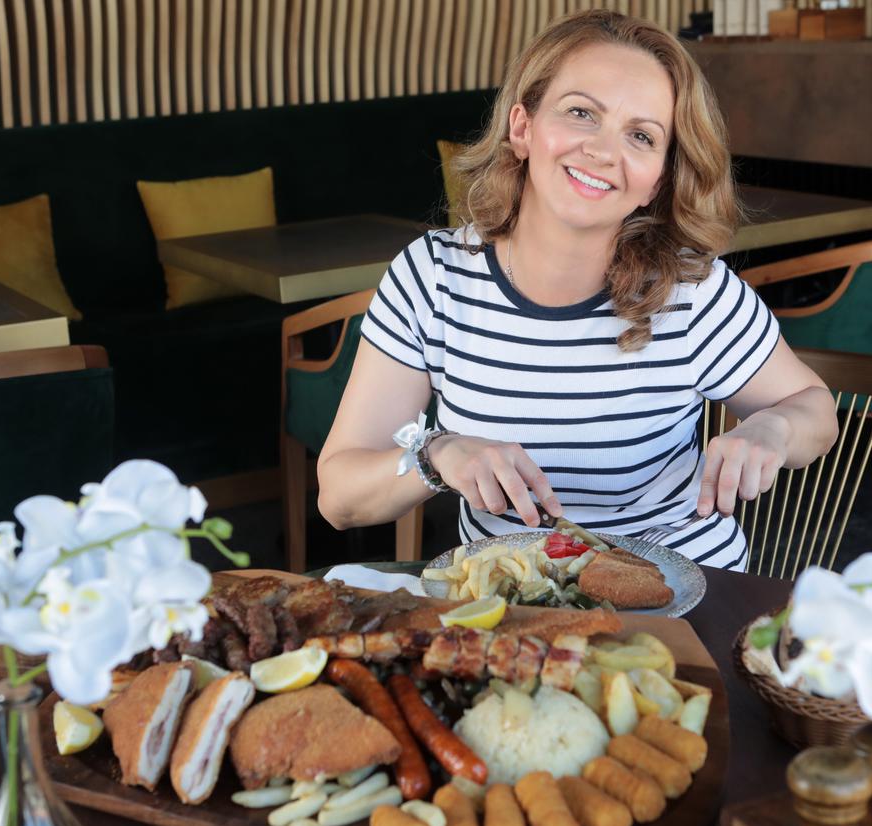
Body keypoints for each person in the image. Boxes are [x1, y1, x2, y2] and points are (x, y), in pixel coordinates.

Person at [317, 10, 837, 571]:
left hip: (677, 592)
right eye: (581, 112)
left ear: (657, 180)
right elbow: (339, 497)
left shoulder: (692, 292)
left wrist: (774, 428)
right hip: (511, 602)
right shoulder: (434, 277)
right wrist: (435, 455)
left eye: (641, 136)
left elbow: (814, 410)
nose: (604, 151)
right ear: (522, 128)